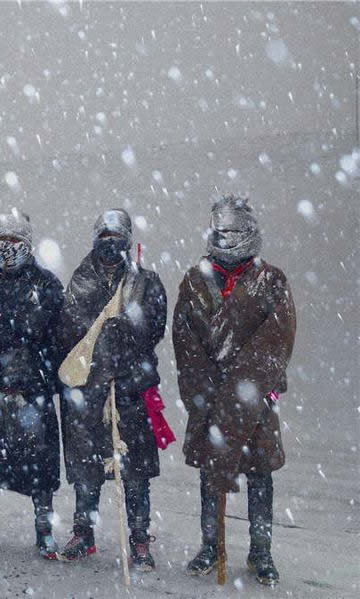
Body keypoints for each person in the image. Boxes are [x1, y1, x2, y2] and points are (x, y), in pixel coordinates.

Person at [173, 195, 296, 586]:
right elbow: (185, 339)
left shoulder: (272, 280)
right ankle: (212, 545)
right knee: (212, 473)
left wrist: (243, 385)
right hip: (210, 398)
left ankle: (261, 551)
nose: (224, 237)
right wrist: (206, 388)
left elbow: (277, 338)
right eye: (218, 229)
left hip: (254, 400)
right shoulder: (195, 280)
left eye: (232, 230)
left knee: (260, 475)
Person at [57, 209, 169, 570]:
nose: (110, 244)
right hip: (90, 390)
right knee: (87, 471)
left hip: (130, 389)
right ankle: (83, 533)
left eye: (116, 237)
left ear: (127, 240)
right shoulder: (80, 280)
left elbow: (154, 326)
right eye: (104, 237)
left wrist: (128, 331)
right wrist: (103, 336)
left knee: (135, 472)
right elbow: (70, 325)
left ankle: (139, 539)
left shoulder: (145, 282)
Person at [0, 208, 63, 560]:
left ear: (27, 244)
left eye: (15, 240)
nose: (8, 247)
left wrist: (13, 327)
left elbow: (48, 327)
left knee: (41, 466)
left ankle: (44, 530)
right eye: (2, 241)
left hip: (31, 390)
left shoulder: (46, 283)